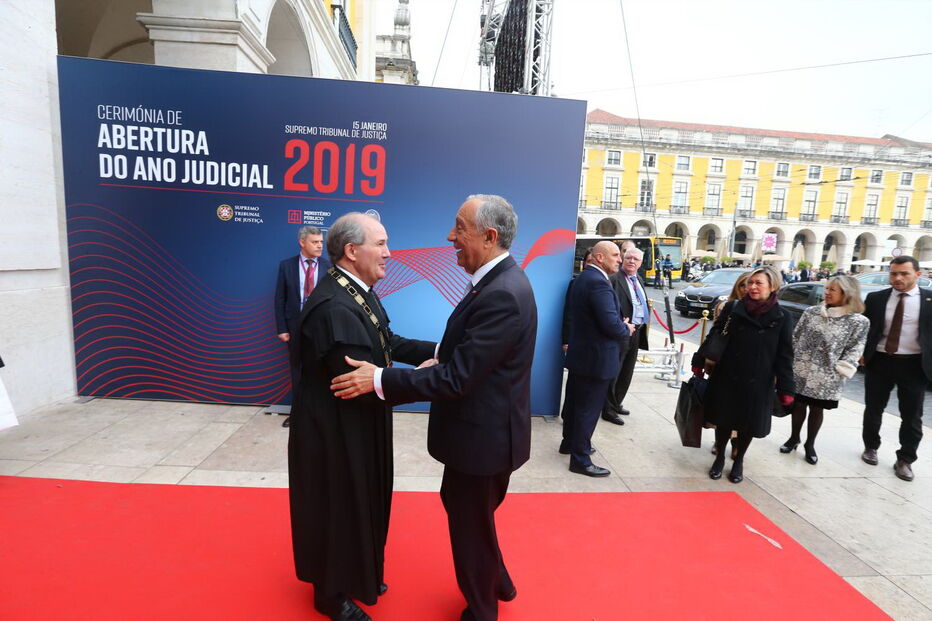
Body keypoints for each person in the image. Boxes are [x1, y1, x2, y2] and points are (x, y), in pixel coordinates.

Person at [331, 195, 536, 621]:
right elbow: (472, 356)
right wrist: (442, 355)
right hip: (485, 436)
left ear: (489, 236)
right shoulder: (497, 282)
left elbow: (458, 379)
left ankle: (482, 611)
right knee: (474, 515)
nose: (450, 237)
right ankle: (501, 583)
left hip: (484, 441)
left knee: (469, 524)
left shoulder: (502, 293)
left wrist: (378, 379)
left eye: (459, 228)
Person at [288, 213, 436, 621]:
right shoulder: (334, 306)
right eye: (381, 244)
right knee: (337, 507)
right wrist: (422, 379)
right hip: (334, 433)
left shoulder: (356, 291)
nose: (389, 253)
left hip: (357, 425)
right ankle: (331, 594)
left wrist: (444, 349)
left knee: (362, 502)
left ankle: (359, 572)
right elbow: (357, 382)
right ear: (352, 251)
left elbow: (389, 342)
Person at [693, 266, 794, 484]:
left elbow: (785, 354)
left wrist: (786, 387)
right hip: (728, 374)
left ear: (773, 286)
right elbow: (715, 335)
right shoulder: (733, 308)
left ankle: (739, 460)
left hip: (759, 379)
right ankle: (719, 456)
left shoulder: (783, 316)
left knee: (748, 423)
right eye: (751, 282)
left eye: (759, 283)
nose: (753, 287)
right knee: (723, 419)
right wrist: (699, 360)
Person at [562, 240, 634, 476]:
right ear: (600, 257)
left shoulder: (584, 278)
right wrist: (627, 330)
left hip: (583, 356)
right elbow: (611, 325)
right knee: (588, 410)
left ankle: (569, 443)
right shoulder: (598, 284)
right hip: (596, 360)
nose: (620, 259)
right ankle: (580, 459)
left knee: (575, 403)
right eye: (615, 255)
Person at [782, 276, 869, 464]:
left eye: (833, 289)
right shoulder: (811, 312)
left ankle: (810, 444)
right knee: (797, 404)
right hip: (800, 368)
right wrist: (788, 360)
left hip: (828, 374)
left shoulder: (858, 321)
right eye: (827, 288)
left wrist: (841, 368)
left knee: (817, 408)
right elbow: (796, 337)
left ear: (847, 293)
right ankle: (793, 437)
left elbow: (855, 348)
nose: (827, 293)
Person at [860, 256, 932, 482]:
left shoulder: (929, 300)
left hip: (914, 364)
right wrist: (862, 353)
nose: (898, 278)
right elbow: (866, 329)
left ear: (918, 275)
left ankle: (905, 459)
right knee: (873, 408)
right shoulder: (876, 298)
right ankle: (870, 447)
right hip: (880, 360)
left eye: (904, 273)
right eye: (894, 273)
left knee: (912, 415)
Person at [274, 225, 330, 427]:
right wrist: (282, 328)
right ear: (302, 242)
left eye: (321, 242)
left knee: (322, 371)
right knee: (297, 371)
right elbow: (280, 299)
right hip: (295, 327)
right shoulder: (286, 266)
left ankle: (321, 414)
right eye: (315, 242)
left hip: (322, 329)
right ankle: (297, 414)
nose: (319, 246)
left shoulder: (328, 267)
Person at [602, 247, 649, 424]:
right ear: (623, 259)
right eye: (628, 257)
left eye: (636, 259)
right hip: (621, 331)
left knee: (627, 370)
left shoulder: (639, 280)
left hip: (637, 331)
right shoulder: (613, 279)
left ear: (640, 263)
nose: (631, 261)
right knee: (615, 370)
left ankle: (617, 402)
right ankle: (608, 409)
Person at [708, 271, 750, 459]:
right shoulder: (726, 306)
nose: (747, 289)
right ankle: (720, 442)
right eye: (743, 285)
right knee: (723, 407)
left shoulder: (760, 311)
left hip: (746, 368)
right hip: (723, 363)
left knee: (742, 409)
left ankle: (736, 442)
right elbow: (716, 333)